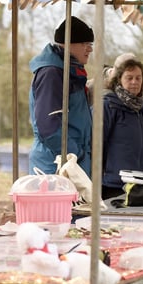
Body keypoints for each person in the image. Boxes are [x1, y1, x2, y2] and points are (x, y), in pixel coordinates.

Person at [28, 16, 94, 175]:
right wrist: (76, 154)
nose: (90, 49)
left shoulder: (69, 73)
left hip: (67, 163)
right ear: (68, 44)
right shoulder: (52, 74)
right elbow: (48, 127)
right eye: (85, 44)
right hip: (55, 165)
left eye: (90, 44)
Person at [102, 56, 143, 199]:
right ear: (119, 80)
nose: (134, 82)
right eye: (129, 78)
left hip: (142, 187)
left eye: (138, 78)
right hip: (112, 187)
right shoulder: (108, 106)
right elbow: (96, 146)